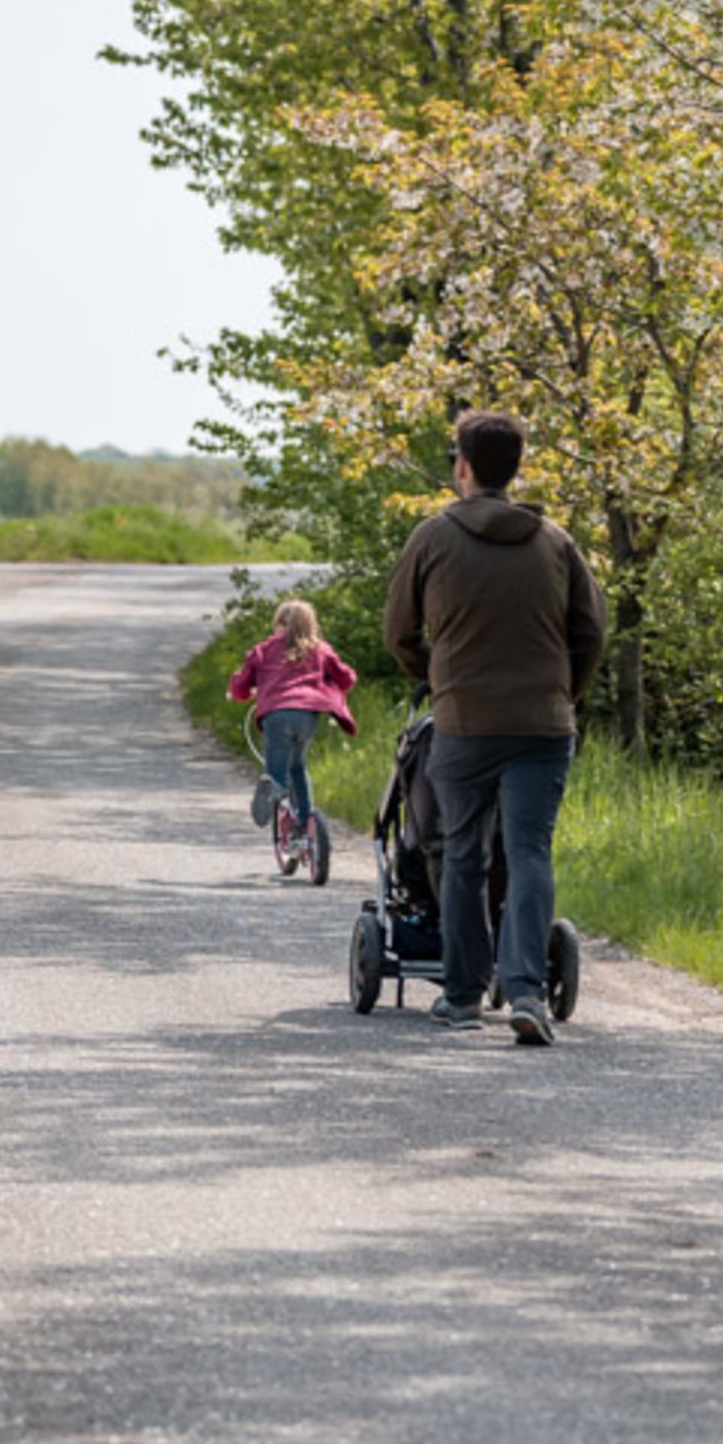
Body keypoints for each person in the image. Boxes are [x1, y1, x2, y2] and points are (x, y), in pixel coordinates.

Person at [381, 409, 606, 1044]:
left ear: (464, 467)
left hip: (464, 723)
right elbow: (591, 631)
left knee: (462, 854)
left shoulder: (432, 537)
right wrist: (565, 692)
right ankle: (528, 992)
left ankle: (460, 995)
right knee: (530, 852)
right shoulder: (555, 541)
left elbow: (397, 631)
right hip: (543, 724)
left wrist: (435, 675)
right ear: (515, 468)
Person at [226, 596, 357, 852]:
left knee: (277, 771)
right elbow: (347, 677)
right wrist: (329, 684)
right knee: (298, 766)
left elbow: (241, 685)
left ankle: (272, 788)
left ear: (278, 625)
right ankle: (303, 824)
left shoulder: (264, 649)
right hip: (308, 715)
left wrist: (241, 692)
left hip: (276, 714)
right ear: (311, 625)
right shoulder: (320, 650)